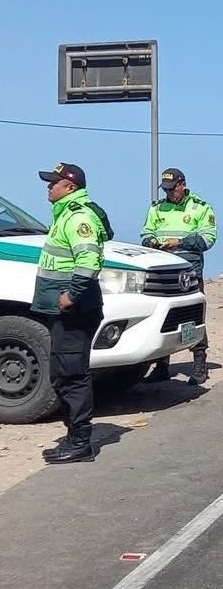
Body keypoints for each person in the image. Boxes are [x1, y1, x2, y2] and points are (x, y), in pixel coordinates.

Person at [35, 163, 106, 464]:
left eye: (54, 183)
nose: (48, 187)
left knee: (73, 374)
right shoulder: (64, 214)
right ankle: (73, 435)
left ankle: (81, 442)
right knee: (62, 372)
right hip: (63, 309)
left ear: (70, 187)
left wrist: (71, 295)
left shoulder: (78, 217)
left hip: (74, 310)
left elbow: (88, 261)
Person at [141, 168, 217, 385]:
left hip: (189, 271)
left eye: (172, 189)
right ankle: (161, 365)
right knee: (161, 317)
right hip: (162, 271)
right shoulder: (157, 208)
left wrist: (180, 243)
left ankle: (200, 364)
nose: (168, 194)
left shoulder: (200, 207)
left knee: (192, 317)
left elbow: (208, 239)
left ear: (182, 184)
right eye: (165, 190)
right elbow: (146, 233)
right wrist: (152, 243)